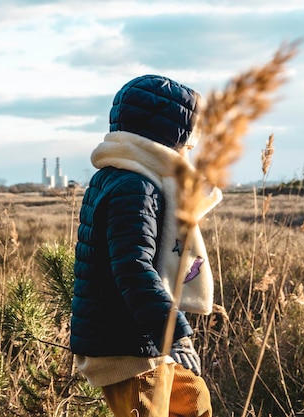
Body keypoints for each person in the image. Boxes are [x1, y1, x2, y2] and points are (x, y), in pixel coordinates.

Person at [70, 74, 221, 417]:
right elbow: (133, 267)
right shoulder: (133, 186)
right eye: (190, 140)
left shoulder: (132, 177)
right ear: (169, 137)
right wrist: (174, 333)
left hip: (142, 334)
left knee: (193, 402)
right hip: (125, 346)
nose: (191, 150)